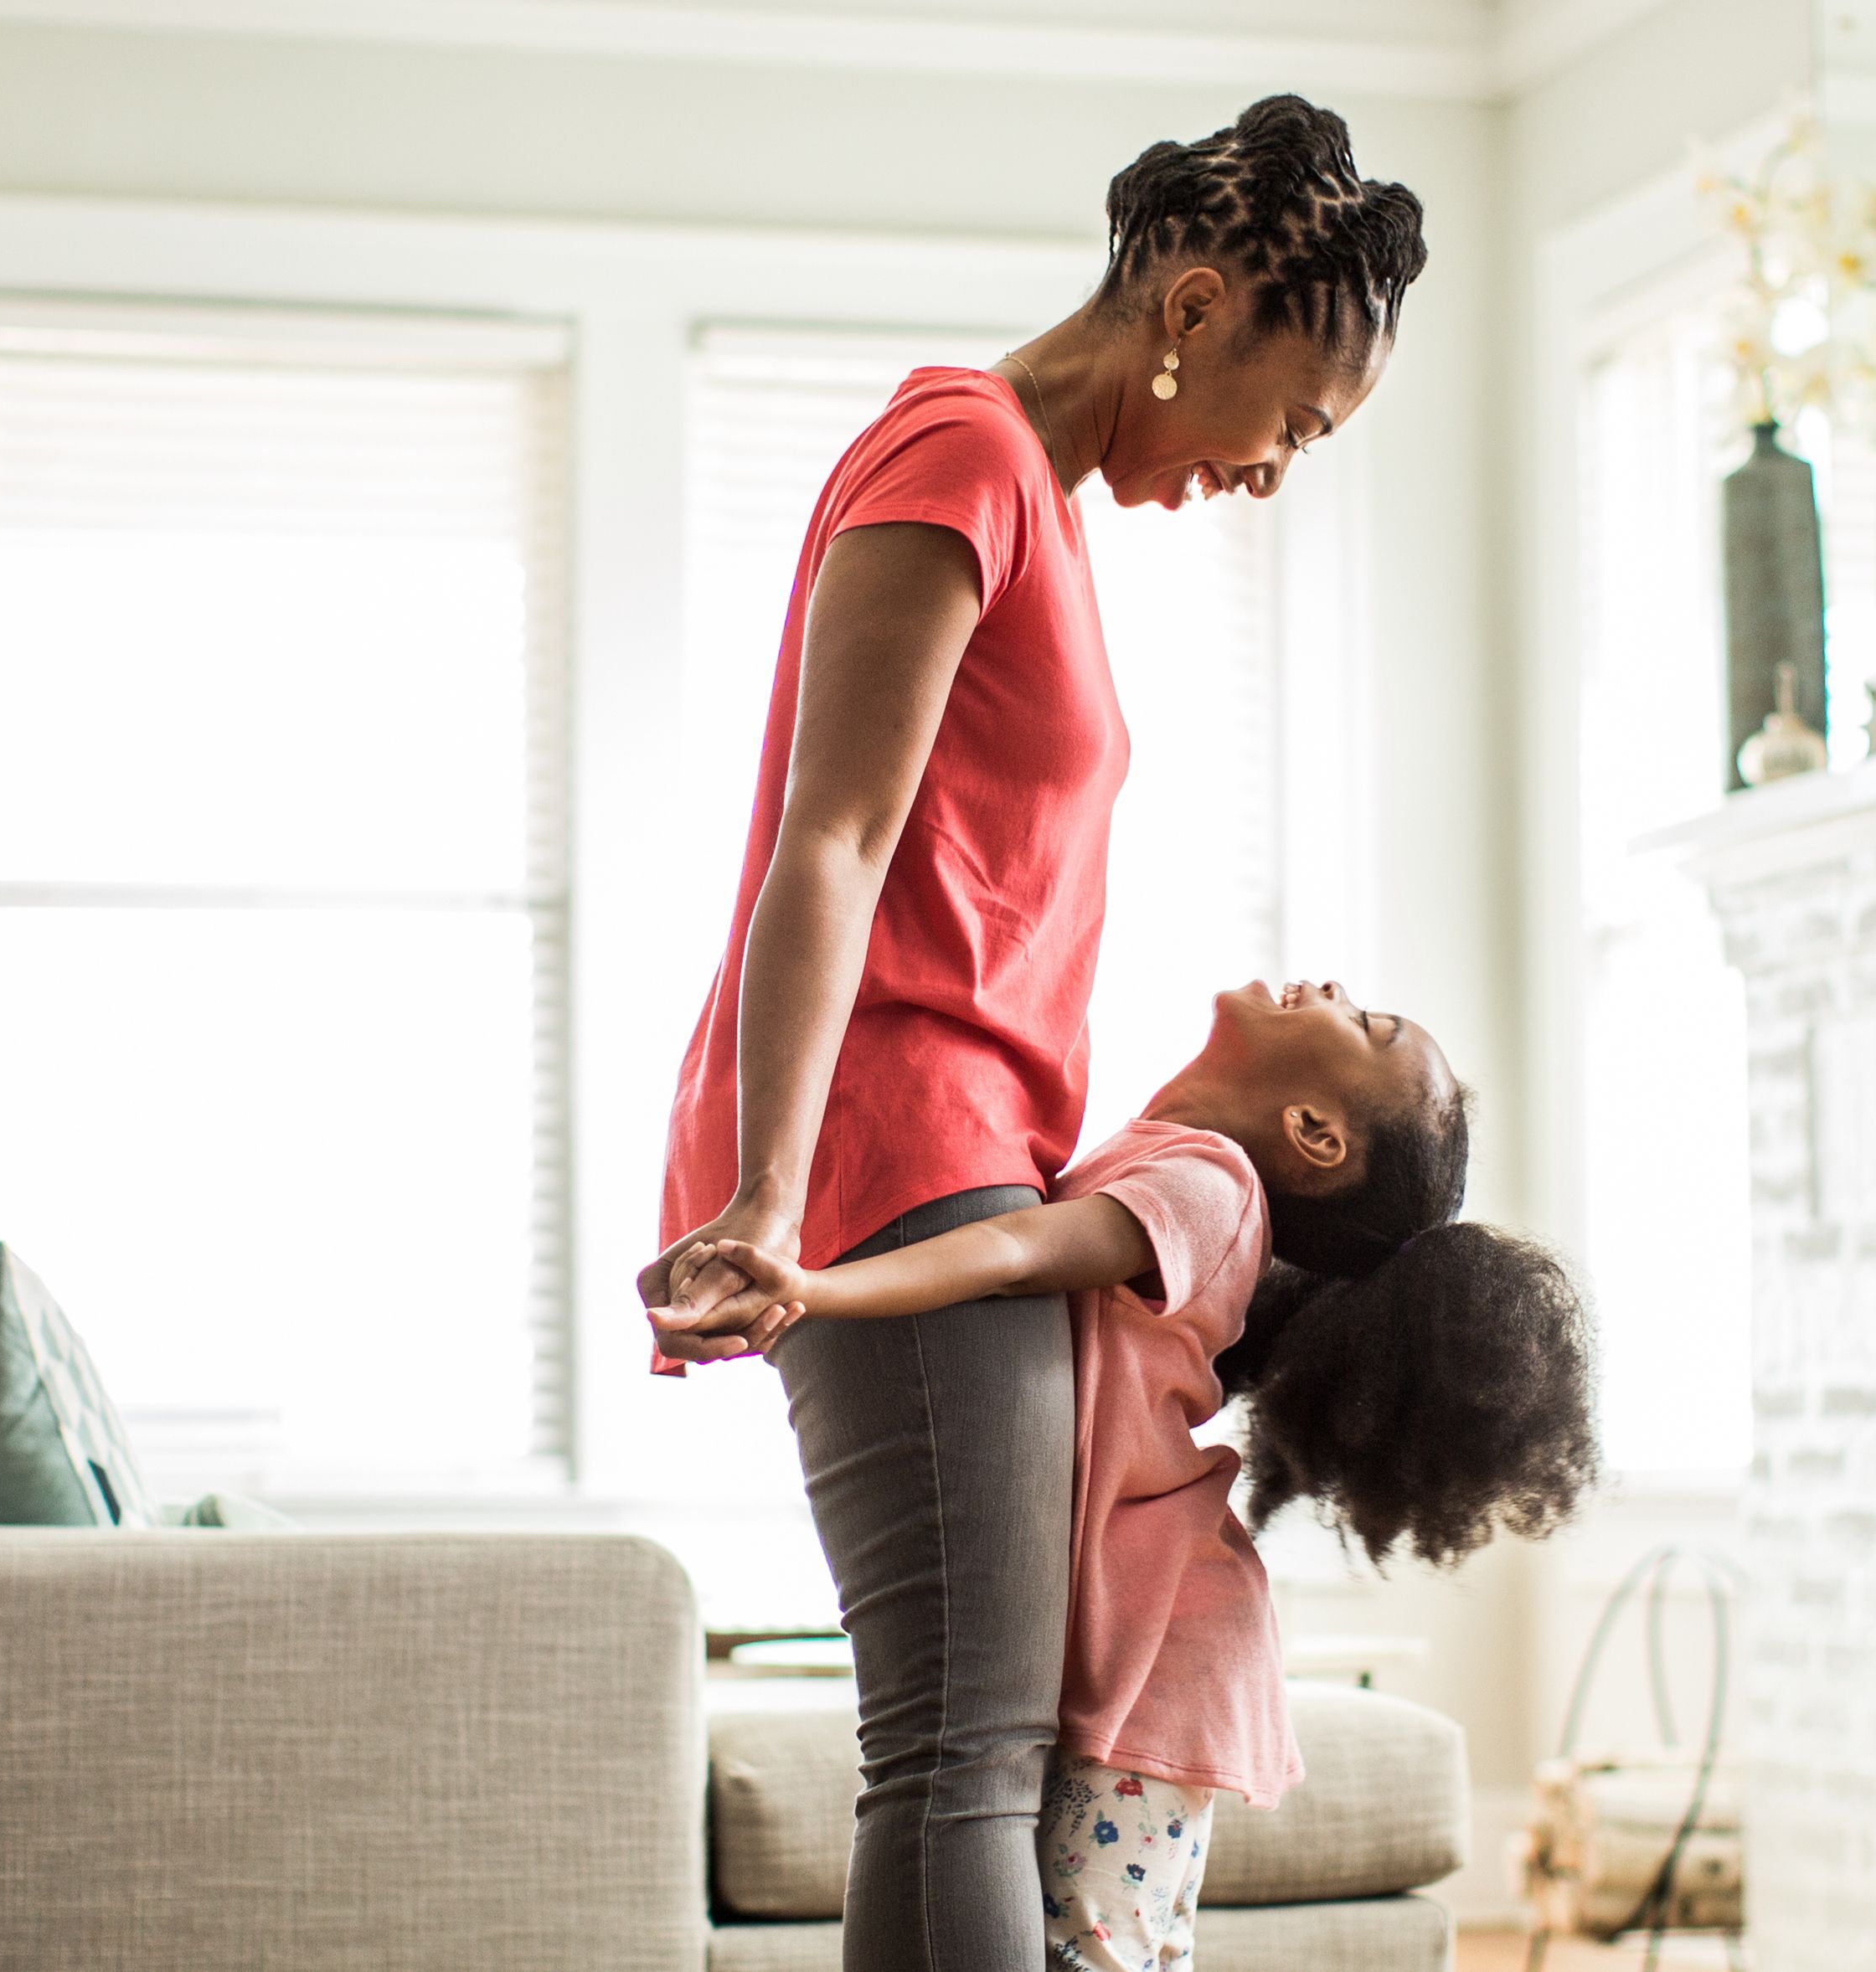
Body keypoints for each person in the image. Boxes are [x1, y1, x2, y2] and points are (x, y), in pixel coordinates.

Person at [638, 98, 1430, 1972]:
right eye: (1291, 419)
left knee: (967, 1750)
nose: (1272, 469)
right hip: (890, 1150)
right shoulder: (962, 450)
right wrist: (771, 1191)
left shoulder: (1035, 505)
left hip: (951, 1147)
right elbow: (828, 835)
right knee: (959, 1755)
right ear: (1192, 302)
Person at [656, 980, 1600, 1972]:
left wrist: (811, 1288)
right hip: (1141, 1634)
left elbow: (1013, 1253)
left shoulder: (1210, 1187)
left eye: (1364, 1023)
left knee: (1098, 1957)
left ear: (1315, 1131)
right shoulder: (1164, 1165)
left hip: (1159, 1647)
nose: (1331, 990)